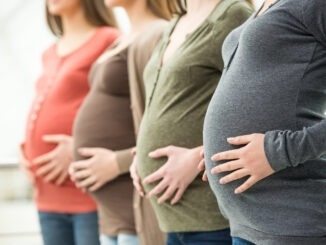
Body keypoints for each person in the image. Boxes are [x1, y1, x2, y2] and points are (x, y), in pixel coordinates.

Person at [203, 0, 326, 244]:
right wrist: (211, 149)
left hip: (293, 222)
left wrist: (279, 151)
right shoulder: (266, 7)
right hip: (245, 224)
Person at [131, 0, 253, 244]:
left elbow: (255, 108)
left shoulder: (233, 14)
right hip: (175, 221)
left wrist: (199, 157)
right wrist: (140, 154)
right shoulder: (179, 18)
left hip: (211, 218)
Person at [68, 1, 175, 244]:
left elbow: (166, 124)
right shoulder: (123, 38)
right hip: (111, 213)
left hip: (134, 204)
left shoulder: (158, 33)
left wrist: (118, 163)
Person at [19, 0, 119, 244]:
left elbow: (120, 111)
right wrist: (26, 150)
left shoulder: (108, 40)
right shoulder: (50, 52)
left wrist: (76, 146)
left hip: (85, 191)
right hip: (47, 194)